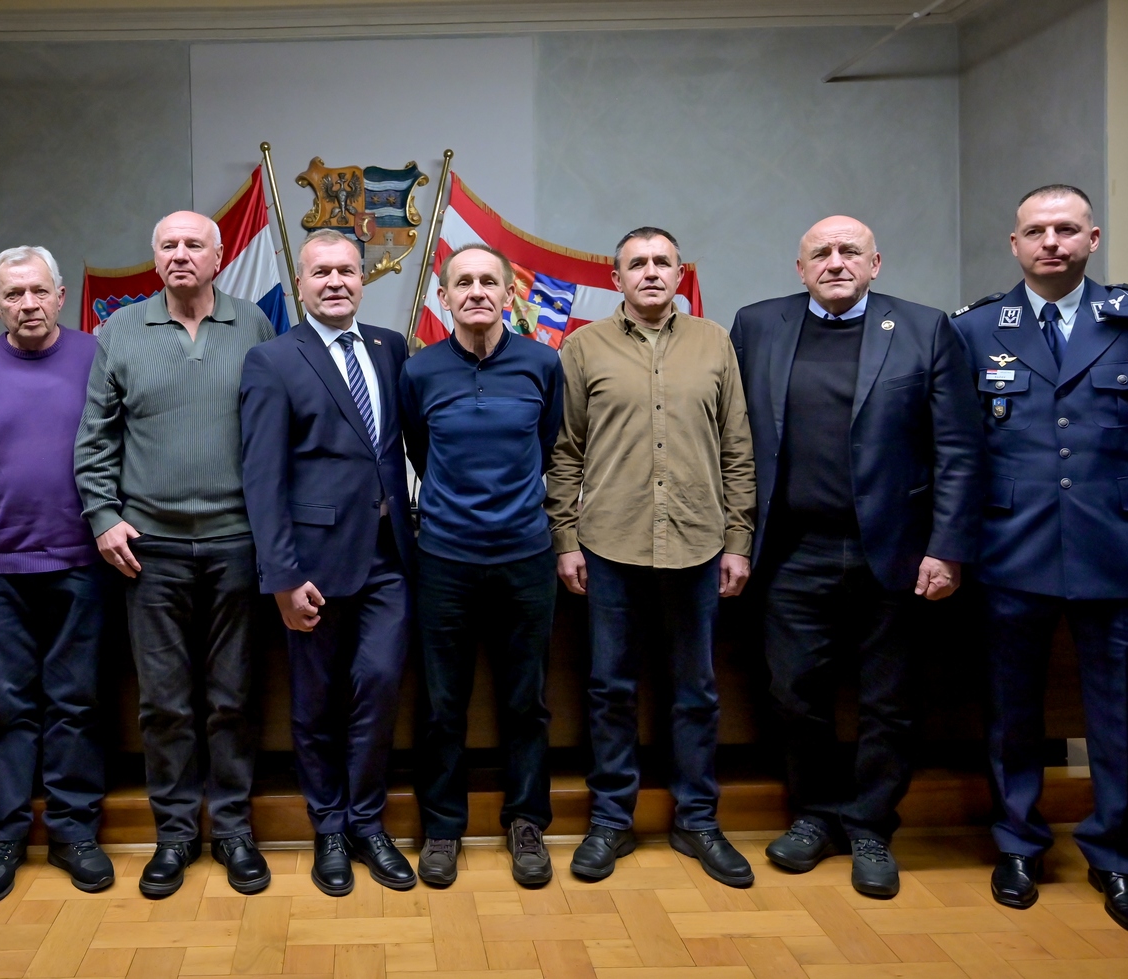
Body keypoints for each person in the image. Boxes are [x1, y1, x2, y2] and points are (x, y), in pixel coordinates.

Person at [951, 185, 1128, 936]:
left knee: (1119, 716)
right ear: (1015, 244)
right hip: (1011, 546)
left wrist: (1114, 479)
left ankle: (1116, 856)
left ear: (1092, 239)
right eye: (1036, 231)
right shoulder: (973, 329)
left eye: (1066, 229)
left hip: (1114, 546)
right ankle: (1018, 845)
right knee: (1012, 712)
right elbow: (960, 437)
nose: (1051, 242)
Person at [730, 216, 982, 899]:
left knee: (888, 702)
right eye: (821, 252)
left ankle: (870, 823)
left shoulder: (926, 329)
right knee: (793, 693)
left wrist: (947, 547)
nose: (835, 261)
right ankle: (815, 814)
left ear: (876, 263)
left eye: (850, 251)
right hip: (792, 550)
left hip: (893, 551)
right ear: (800, 267)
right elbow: (732, 436)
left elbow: (959, 448)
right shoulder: (757, 326)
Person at [74, 210, 277, 898]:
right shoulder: (120, 331)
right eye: (169, 245)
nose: (181, 254)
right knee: (164, 703)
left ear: (218, 257)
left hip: (237, 542)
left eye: (194, 244)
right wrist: (103, 516)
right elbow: (95, 437)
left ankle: (235, 831)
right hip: (149, 550)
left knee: (232, 698)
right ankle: (175, 835)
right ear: (155, 258)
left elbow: (276, 431)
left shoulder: (255, 325)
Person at [547, 227, 756, 886]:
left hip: (698, 543)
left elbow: (738, 448)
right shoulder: (583, 347)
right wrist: (565, 538)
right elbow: (565, 451)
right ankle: (611, 820)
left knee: (696, 691)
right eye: (637, 263)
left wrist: (739, 539)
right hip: (610, 543)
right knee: (610, 689)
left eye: (662, 261)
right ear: (617, 278)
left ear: (678, 272)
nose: (651, 272)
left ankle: (698, 819)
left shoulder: (714, 342)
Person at [239, 229, 418, 897]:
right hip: (312, 566)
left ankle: (368, 823)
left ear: (362, 279)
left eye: (347, 270)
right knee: (316, 702)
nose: (336, 281)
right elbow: (262, 478)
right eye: (322, 272)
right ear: (301, 283)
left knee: (379, 685)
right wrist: (282, 577)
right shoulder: (272, 359)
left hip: (389, 556)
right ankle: (330, 829)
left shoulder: (390, 347)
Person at [0, 246, 112, 904]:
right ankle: (4, 836)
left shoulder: (96, 358)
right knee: (8, 707)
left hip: (80, 563)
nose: (28, 304)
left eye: (39, 291)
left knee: (75, 701)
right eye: (14, 294)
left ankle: (74, 832)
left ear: (61, 296)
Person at [399, 244, 564, 889]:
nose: (476, 292)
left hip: (526, 556)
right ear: (444, 298)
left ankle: (526, 823)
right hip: (445, 558)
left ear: (507, 294)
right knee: (443, 704)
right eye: (462, 282)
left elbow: (548, 445)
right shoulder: (419, 371)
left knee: (526, 702)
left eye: (488, 281)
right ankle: (443, 828)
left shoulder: (541, 363)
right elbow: (418, 448)